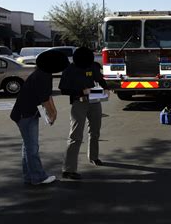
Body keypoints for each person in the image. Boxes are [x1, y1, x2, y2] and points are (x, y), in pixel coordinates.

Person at [10, 50, 69, 185]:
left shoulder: (43, 73)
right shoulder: (43, 76)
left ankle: (29, 176)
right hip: (25, 115)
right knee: (32, 147)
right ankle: (38, 177)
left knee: (27, 146)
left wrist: (54, 112)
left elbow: (47, 96)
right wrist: (52, 114)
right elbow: (44, 100)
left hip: (24, 113)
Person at [59, 47, 109, 180]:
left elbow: (100, 79)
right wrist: (81, 91)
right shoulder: (69, 70)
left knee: (95, 132)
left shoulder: (92, 66)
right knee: (75, 136)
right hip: (78, 102)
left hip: (94, 101)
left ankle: (94, 157)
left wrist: (106, 87)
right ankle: (68, 169)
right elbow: (63, 89)